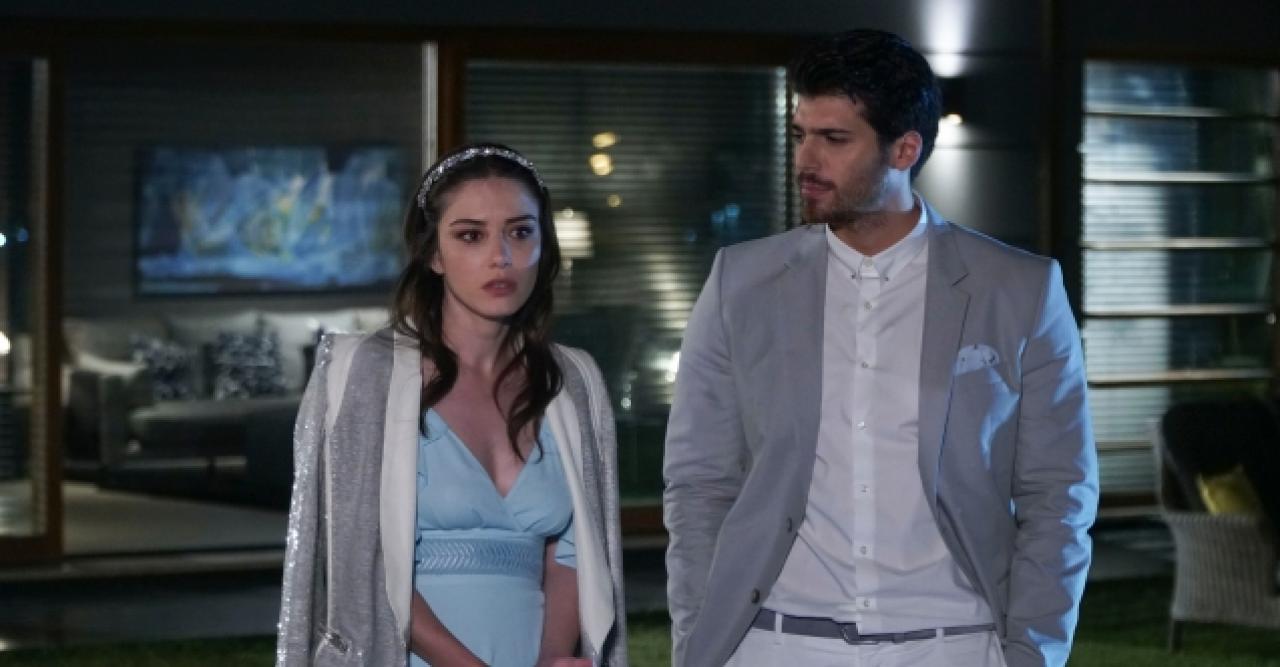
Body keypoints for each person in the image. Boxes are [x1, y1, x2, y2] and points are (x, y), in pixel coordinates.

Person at [663, 29, 1098, 667]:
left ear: (905, 148)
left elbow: (1058, 495)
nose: (806, 159)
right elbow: (699, 483)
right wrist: (697, 643)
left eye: (834, 139)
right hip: (774, 644)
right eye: (800, 134)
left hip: (953, 644)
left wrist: (1032, 652)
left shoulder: (1019, 289)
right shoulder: (740, 282)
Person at [277, 143, 628, 666]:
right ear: (434, 254)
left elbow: (578, 552)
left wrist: (550, 660)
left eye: (520, 232)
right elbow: (358, 560)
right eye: (471, 235)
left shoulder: (573, 381)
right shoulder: (365, 375)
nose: (501, 256)